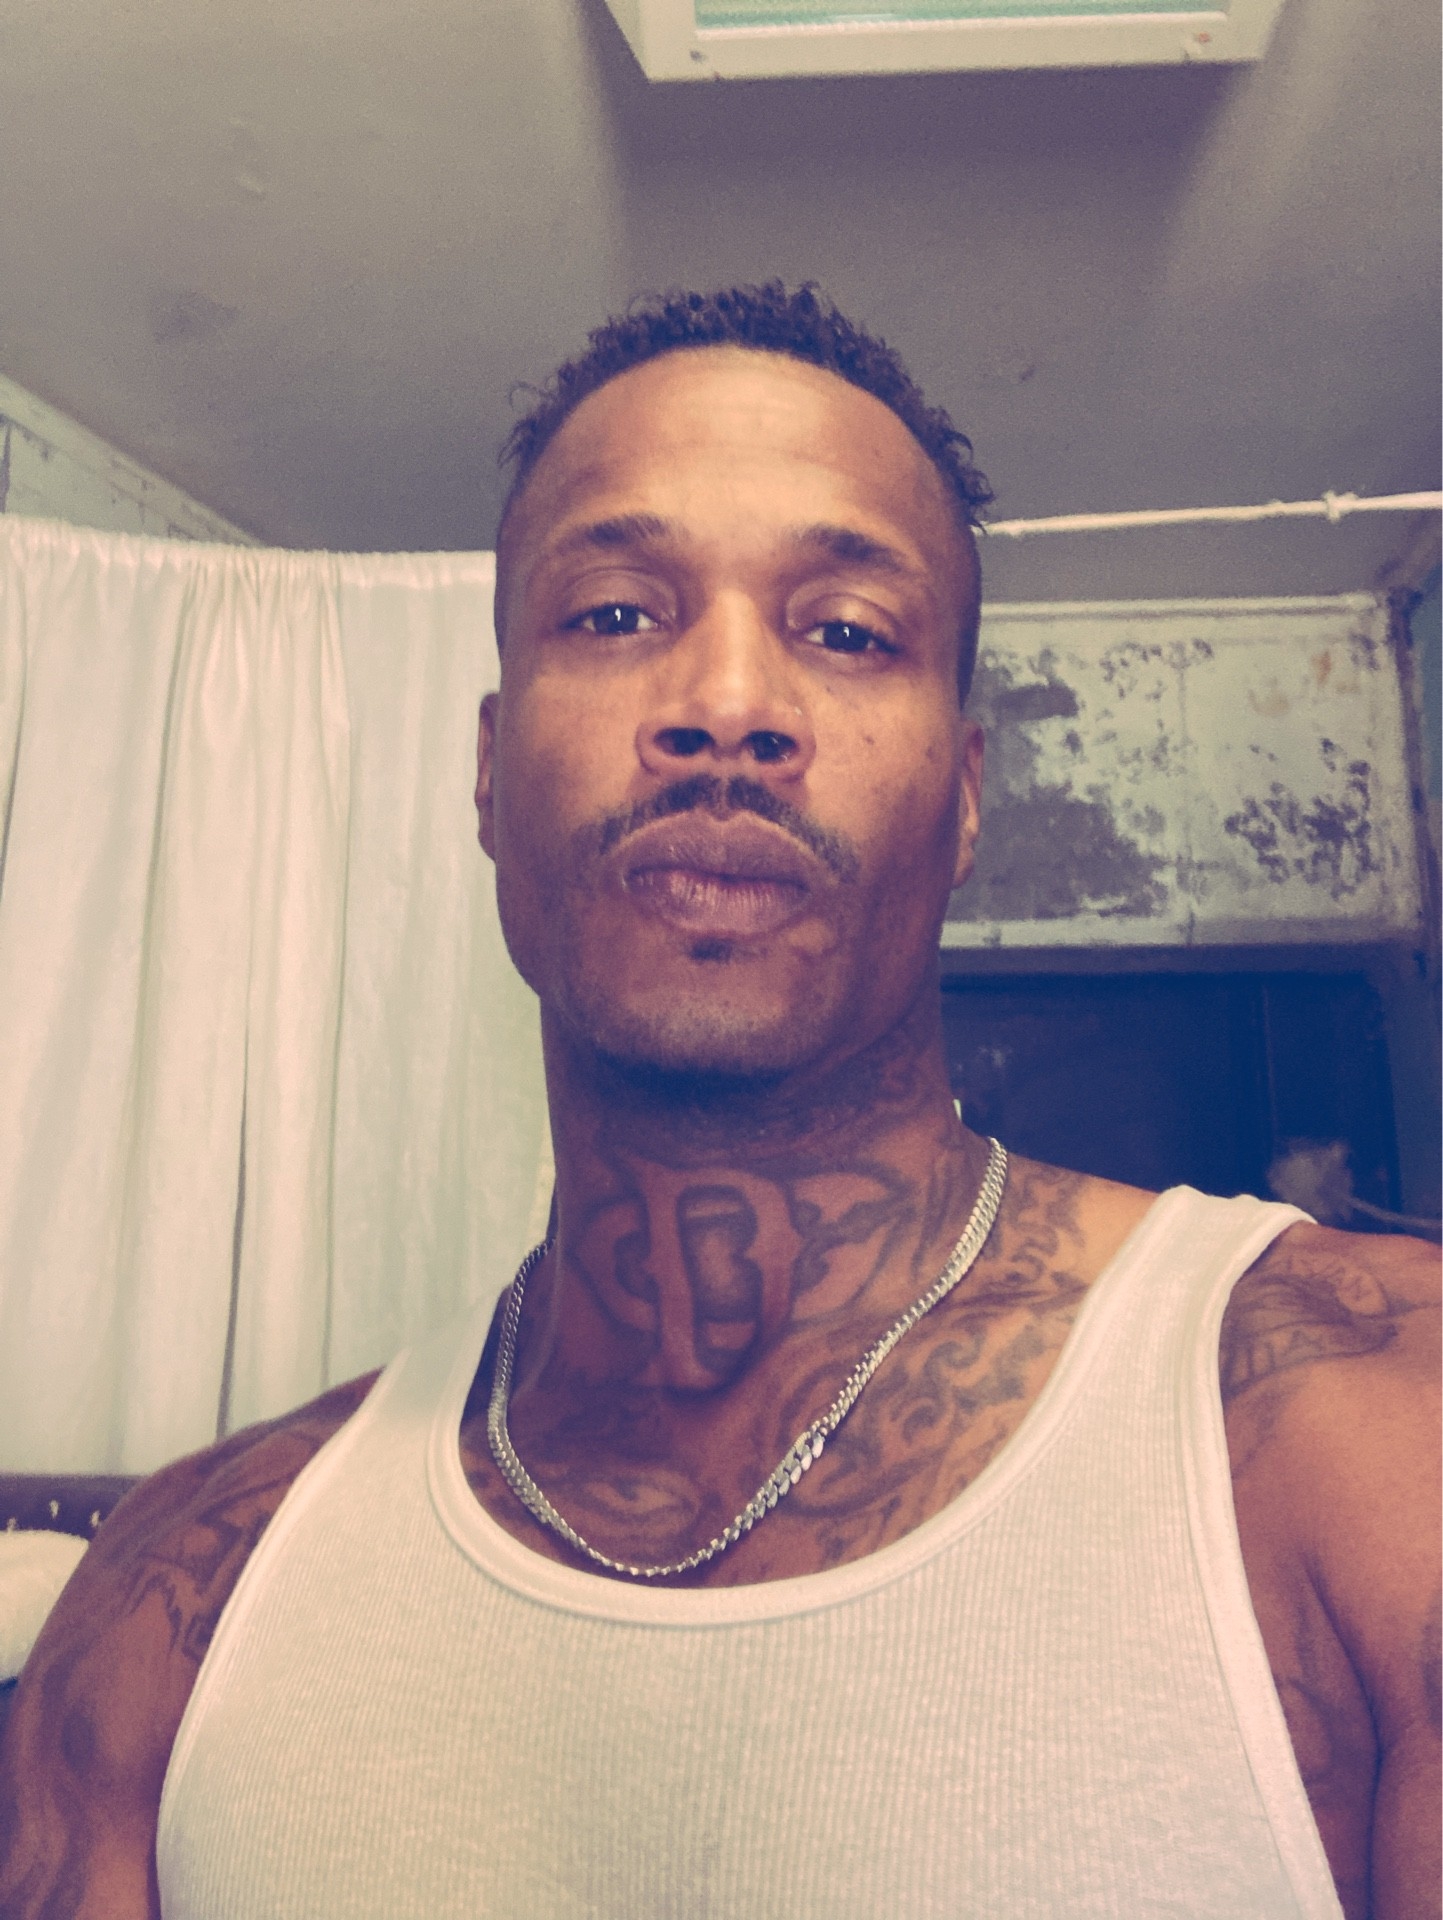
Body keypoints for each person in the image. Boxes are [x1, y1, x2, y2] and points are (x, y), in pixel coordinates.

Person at [0, 284, 1436, 1920]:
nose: (728, 706)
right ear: (488, 773)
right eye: (616, 612)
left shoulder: (1379, 1431)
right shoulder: (180, 1601)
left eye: (848, 630)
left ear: (968, 797)